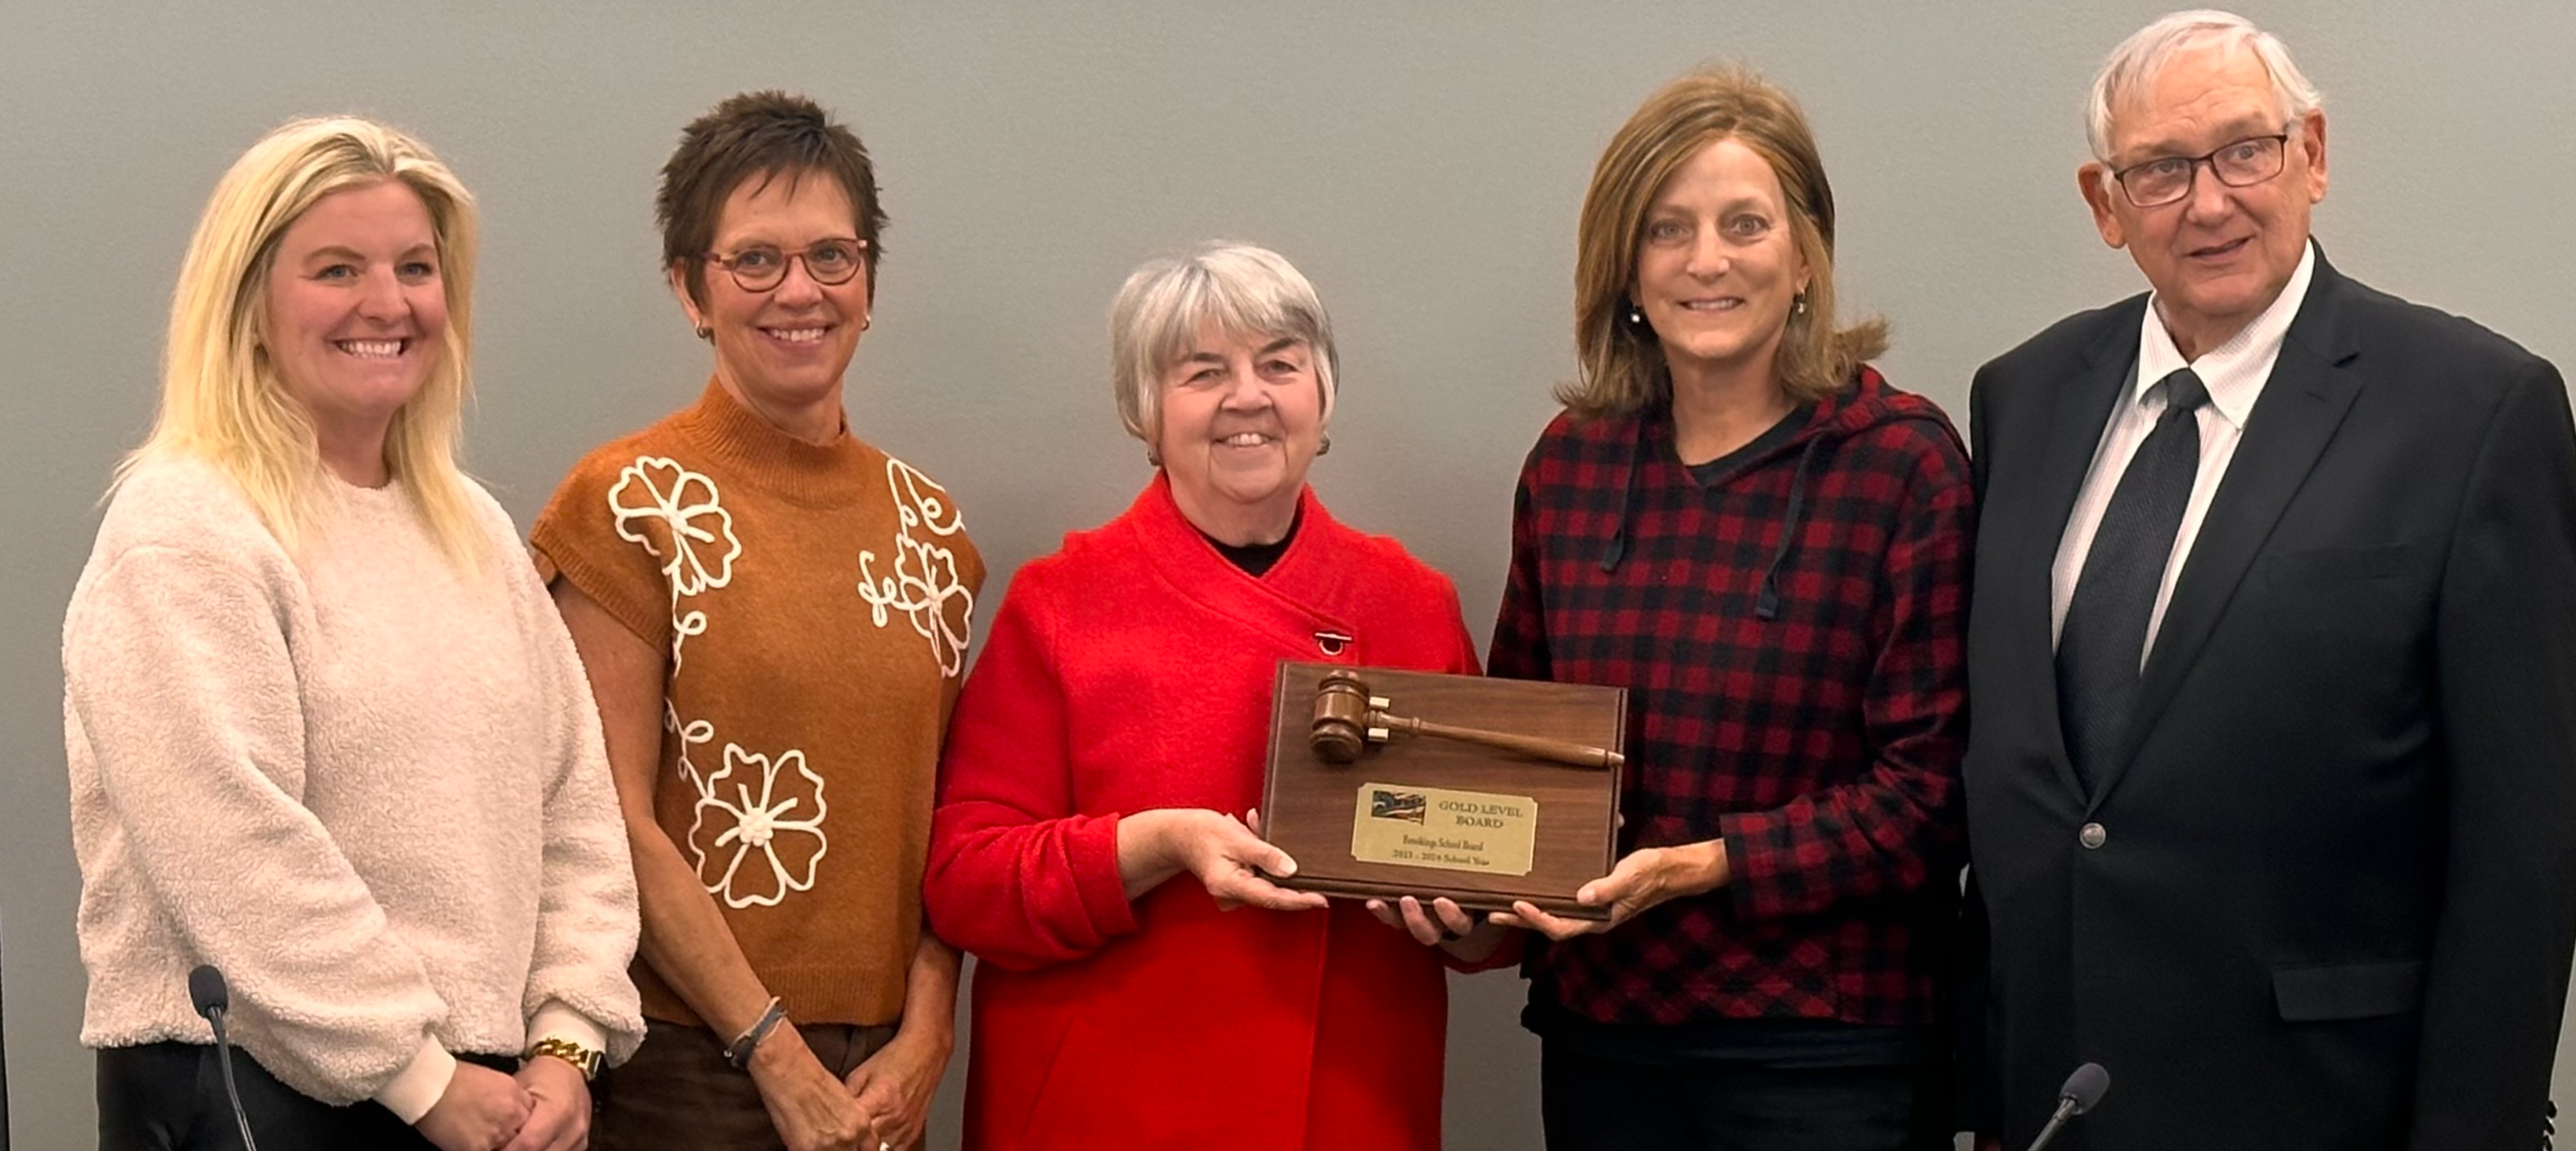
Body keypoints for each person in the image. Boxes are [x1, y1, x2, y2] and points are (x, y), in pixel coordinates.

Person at [1957, 11, 2576, 1149]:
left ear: (2311, 155)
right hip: (2054, 1103)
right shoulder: (2024, 395)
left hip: (2320, 1102)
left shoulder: (2471, 410)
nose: (2206, 203)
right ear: (2103, 206)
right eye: (2157, 170)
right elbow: (2028, 783)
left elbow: (2520, 846)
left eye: (2243, 150)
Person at [63, 115, 643, 1151]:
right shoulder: (185, 526)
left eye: (415, 267)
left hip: (490, 1099)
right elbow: (229, 847)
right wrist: (416, 1072)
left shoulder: (471, 529)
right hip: (256, 1095)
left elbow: (574, 812)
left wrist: (566, 1039)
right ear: (247, 305)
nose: (388, 303)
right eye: (337, 269)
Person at [1483, 65, 1973, 1151]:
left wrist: (1703, 863)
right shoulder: (1568, 466)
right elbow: (1509, 746)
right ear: (1625, 269)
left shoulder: (1901, 465)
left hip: (1827, 1049)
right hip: (1603, 1034)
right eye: (1666, 230)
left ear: (1802, 258)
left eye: (1743, 224)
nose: (1706, 260)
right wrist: (1457, 890)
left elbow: (1931, 792)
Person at [923, 242, 1490, 1151]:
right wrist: (1152, 845)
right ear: (1146, 411)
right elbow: (966, 883)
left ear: (1322, 393)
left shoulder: (1413, 601)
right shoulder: (1060, 600)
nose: (1247, 396)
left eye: (1279, 363)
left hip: (1346, 1106)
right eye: (1202, 372)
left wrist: (1464, 920)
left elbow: (1488, 878)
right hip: (1110, 1106)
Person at [530, 92, 980, 1151]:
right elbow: (610, 818)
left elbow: (946, 822)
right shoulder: (627, 503)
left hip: (880, 1073)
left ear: (868, 283)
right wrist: (772, 1053)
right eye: (755, 260)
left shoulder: (932, 531)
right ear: (690, 287)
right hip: (689, 1065)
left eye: (832, 256)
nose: (800, 291)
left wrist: (928, 1030)